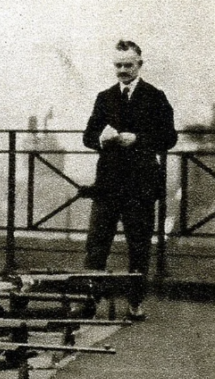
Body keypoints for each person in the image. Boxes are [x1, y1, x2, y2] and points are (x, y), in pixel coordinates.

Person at [82, 39, 177, 320]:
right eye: (118, 65)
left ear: (139, 65)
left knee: (138, 247)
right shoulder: (105, 97)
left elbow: (169, 138)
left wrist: (138, 139)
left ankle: (135, 303)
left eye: (128, 65)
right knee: (96, 245)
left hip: (140, 187)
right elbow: (88, 137)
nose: (122, 70)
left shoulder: (155, 97)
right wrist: (101, 138)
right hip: (108, 186)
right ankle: (89, 301)